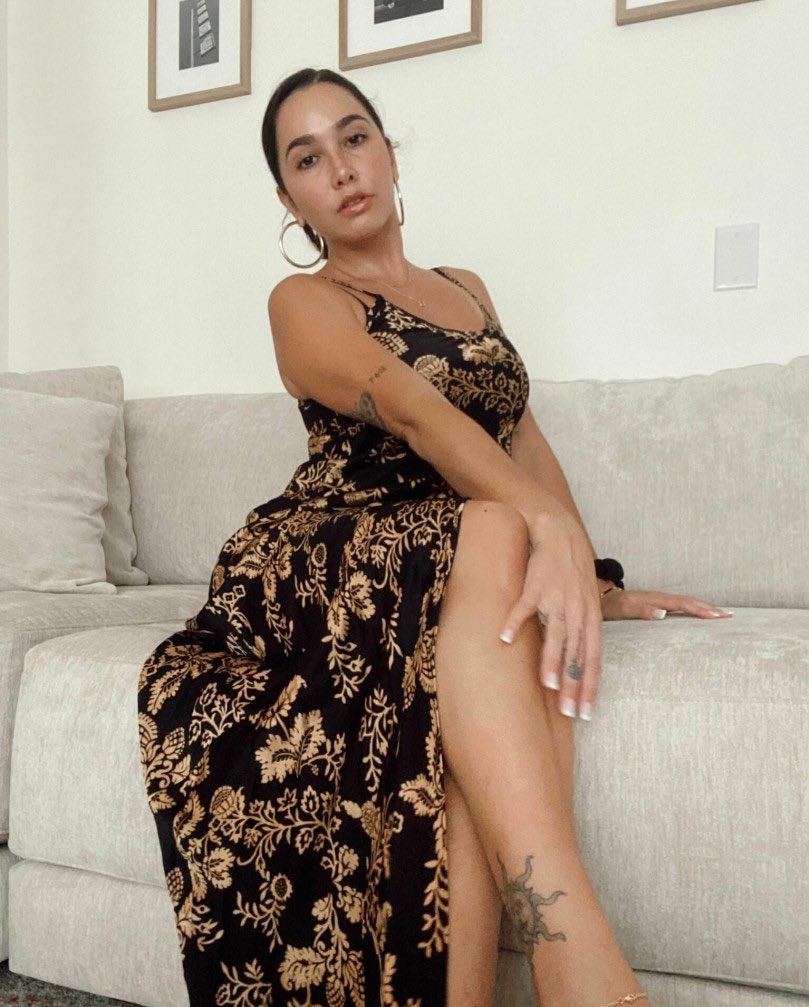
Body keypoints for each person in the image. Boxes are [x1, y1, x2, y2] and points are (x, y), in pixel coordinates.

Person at [137, 67, 732, 1007]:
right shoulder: (303, 301)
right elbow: (416, 414)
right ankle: (574, 957)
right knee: (496, 528)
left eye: (354, 137)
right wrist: (541, 529)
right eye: (307, 159)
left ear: (387, 150)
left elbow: (518, 437)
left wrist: (588, 577)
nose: (341, 168)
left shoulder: (466, 288)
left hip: (466, 554)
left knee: (486, 638)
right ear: (289, 200)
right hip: (331, 548)